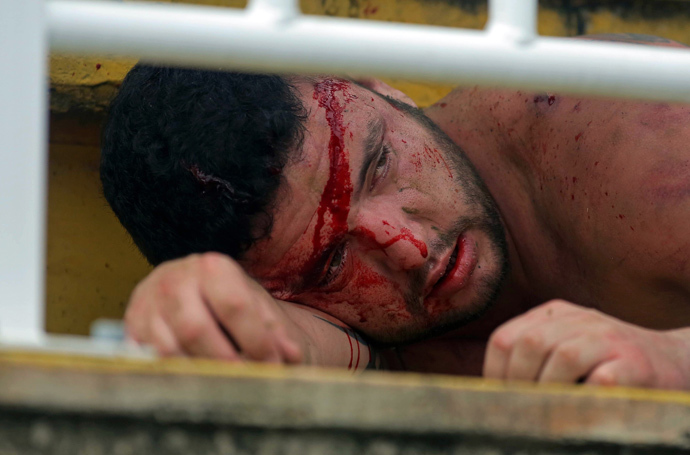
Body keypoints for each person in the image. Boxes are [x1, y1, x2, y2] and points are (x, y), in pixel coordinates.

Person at [101, 33, 690, 389]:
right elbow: (299, 341)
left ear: (378, 86)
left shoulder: (630, 139)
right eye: (333, 265)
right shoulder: (331, 323)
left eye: (379, 163)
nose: (406, 246)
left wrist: (672, 359)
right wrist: (212, 315)